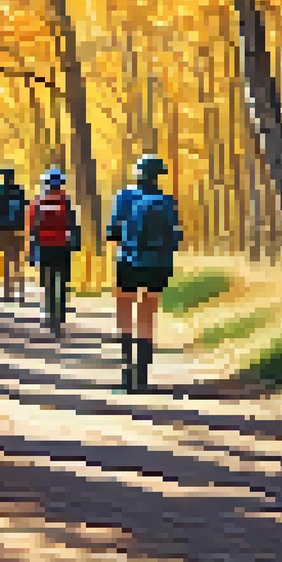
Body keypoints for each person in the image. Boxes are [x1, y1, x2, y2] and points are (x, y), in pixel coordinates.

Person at [105, 154, 182, 394]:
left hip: (128, 262)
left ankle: (127, 367)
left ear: (137, 173)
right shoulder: (167, 201)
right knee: (147, 313)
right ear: (158, 175)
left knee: (125, 310)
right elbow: (175, 237)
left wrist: (119, 236)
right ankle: (143, 373)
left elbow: (112, 231)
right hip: (157, 265)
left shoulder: (123, 197)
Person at [27, 168, 80, 338]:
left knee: (48, 282)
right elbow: (72, 225)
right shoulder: (66, 201)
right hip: (62, 245)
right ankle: (60, 315)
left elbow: (32, 226)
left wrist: (32, 249)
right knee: (62, 281)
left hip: (44, 245)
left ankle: (49, 316)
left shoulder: (38, 201)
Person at [0, 167, 30, 303]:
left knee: (7, 261)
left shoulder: (0, 192)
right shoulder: (20, 191)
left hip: (4, 229)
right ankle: (20, 293)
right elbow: (26, 207)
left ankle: (8, 293)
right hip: (18, 229)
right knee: (18, 262)